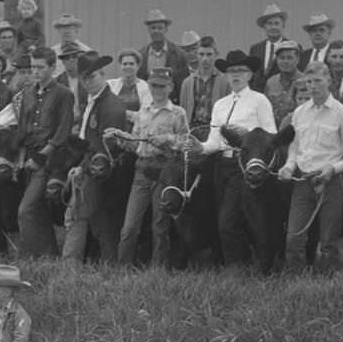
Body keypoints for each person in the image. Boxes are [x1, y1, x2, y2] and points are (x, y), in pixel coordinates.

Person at [183, 48, 277, 271]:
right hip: (221, 165)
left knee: (232, 221)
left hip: (246, 167)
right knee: (226, 219)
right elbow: (215, 142)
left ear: (249, 75)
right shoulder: (221, 104)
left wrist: (247, 134)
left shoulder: (259, 101)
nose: (236, 75)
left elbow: (271, 135)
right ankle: (241, 264)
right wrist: (201, 147)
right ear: (226, 75)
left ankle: (244, 267)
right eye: (231, 71)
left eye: (241, 70)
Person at [278, 67, 343, 274]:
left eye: (317, 81)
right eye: (308, 82)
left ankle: (328, 286)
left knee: (328, 240)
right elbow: (295, 148)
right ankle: (296, 282)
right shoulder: (299, 113)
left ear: (329, 80)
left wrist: (334, 168)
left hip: (330, 182)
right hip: (302, 181)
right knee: (293, 237)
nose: (312, 86)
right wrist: (288, 167)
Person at [108, 67, 189, 266]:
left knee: (159, 225)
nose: (157, 89)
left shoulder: (178, 113)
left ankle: (158, 268)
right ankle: (123, 267)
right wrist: (120, 137)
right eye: (154, 85)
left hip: (164, 172)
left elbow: (186, 142)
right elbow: (136, 145)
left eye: (162, 86)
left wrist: (167, 139)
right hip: (141, 170)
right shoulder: (142, 112)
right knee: (129, 227)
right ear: (149, 86)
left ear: (170, 87)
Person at [62, 53, 128, 264]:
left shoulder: (111, 105)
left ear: (103, 74)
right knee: (96, 219)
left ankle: (87, 263)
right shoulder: (94, 100)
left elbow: (104, 146)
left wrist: (84, 168)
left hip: (104, 171)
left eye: (92, 76)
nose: (88, 81)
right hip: (92, 166)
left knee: (96, 219)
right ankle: (102, 263)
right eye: (84, 78)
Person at [15, 47, 76, 258]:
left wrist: (40, 157)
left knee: (26, 209)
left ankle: (28, 255)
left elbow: (63, 131)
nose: (36, 71)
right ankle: (48, 254)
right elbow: (22, 128)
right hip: (28, 156)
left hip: (49, 159)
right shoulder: (28, 93)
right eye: (33, 67)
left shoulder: (63, 94)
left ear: (52, 67)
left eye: (41, 67)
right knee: (37, 209)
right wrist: (21, 159)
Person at [179, 36, 230, 138]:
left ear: (216, 55)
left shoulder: (225, 81)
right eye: (201, 54)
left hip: (216, 132)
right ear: (196, 55)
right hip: (193, 131)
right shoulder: (187, 83)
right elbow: (183, 112)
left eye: (209, 54)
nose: (205, 59)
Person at [139, 8, 191, 93]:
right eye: (153, 28)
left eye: (160, 28)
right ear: (148, 30)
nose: (156, 31)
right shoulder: (140, 55)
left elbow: (183, 86)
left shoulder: (180, 55)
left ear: (166, 29)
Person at [264, 38, 306, 124]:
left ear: (297, 59)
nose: (285, 61)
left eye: (289, 58)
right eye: (282, 58)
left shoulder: (306, 81)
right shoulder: (271, 82)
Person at [251, 2, 293, 80]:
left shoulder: (292, 47)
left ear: (283, 25)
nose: (273, 27)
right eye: (269, 23)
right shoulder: (255, 49)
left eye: (276, 23)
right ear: (264, 26)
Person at [111, 50, 153, 114]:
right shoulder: (111, 85)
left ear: (138, 66)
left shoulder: (146, 87)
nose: (128, 67)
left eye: (131, 64)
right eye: (124, 64)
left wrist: (121, 113)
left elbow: (145, 114)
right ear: (120, 66)